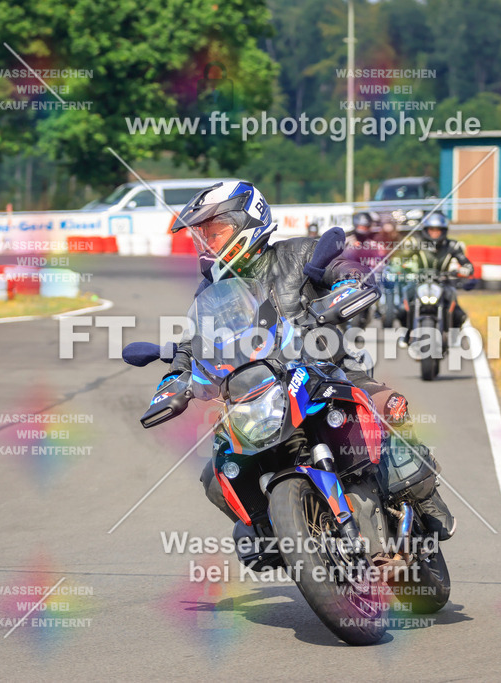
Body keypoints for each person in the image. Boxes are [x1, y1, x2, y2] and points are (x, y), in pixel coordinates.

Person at [159, 180, 455, 540]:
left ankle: (423, 500)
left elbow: (342, 266)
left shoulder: (299, 254)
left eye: (213, 232)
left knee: (388, 409)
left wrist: (347, 284)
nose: (205, 243)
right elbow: (194, 340)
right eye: (200, 236)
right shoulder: (211, 290)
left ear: (245, 223)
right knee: (218, 473)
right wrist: (175, 377)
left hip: (330, 371)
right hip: (259, 392)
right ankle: (275, 530)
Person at [398, 211, 477, 334]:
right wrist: (401, 267)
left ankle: (451, 335)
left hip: (443, 282)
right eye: (431, 230)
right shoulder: (416, 243)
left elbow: (466, 263)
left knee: (459, 315)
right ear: (426, 230)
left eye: (438, 230)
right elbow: (401, 259)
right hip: (419, 281)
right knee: (402, 309)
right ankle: (407, 333)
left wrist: (464, 269)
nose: (434, 233)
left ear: (443, 231)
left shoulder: (452, 245)